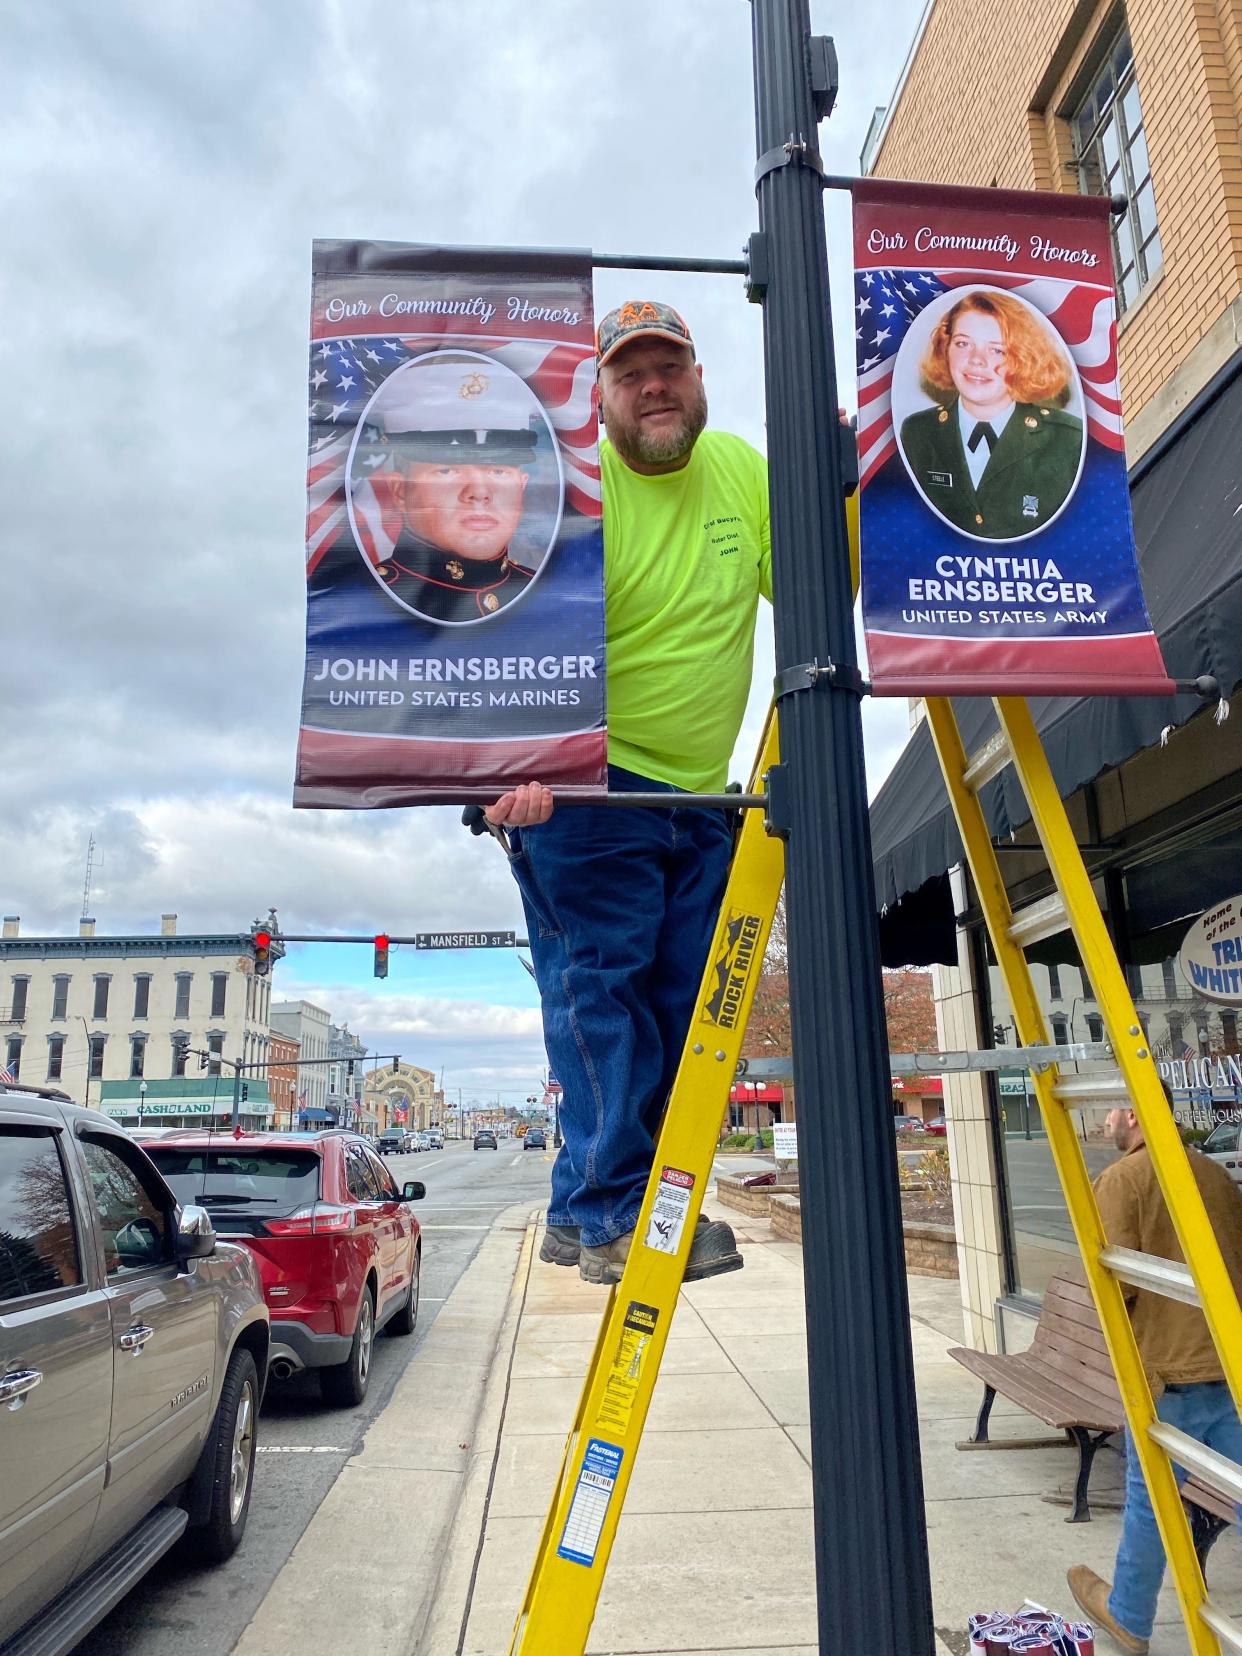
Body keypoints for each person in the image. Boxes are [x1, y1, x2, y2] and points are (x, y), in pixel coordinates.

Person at [483, 300, 772, 1286]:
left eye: (671, 367)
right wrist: (493, 779)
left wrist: (850, 486)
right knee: (604, 995)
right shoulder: (567, 490)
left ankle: (576, 1207)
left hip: (701, 798)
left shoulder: (741, 470)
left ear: (698, 377)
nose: (655, 386)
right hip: (587, 792)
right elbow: (486, 641)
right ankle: (613, 1216)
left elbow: (832, 583)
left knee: (685, 1007)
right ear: (597, 395)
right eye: (630, 373)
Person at [1067, 1083, 1242, 1654]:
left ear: (1136, 1115)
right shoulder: (1212, 1174)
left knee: (1152, 1501)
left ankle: (1130, 1619)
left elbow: (1112, 1293)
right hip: (1229, 1363)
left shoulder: (1123, 1180)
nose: (1108, 1120)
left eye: (1114, 1108)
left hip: (1168, 1375)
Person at [898, 289, 1083, 540]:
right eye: (963, 343)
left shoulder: (1068, 440)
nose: (977, 360)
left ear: (1023, 358)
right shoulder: (917, 432)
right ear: (946, 347)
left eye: (997, 350)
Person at [367, 356, 541, 622]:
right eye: (447, 470)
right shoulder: (360, 602)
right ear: (400, 490)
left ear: (521, 485)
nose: (479, 492)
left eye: (498, 470)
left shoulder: (549, 598)